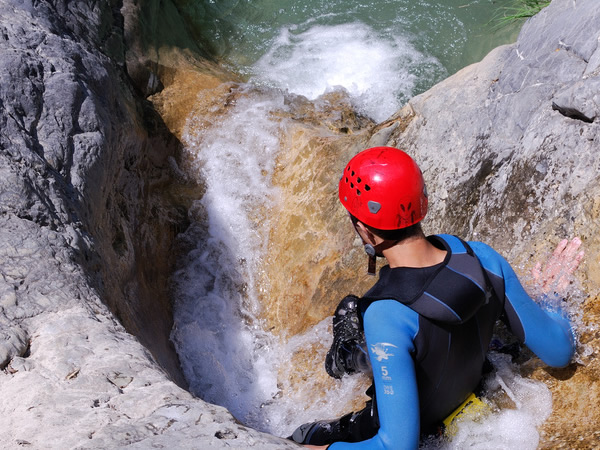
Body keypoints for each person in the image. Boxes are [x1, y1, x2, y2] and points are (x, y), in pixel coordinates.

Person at [288, 146, 584, 449]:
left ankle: (347, 355)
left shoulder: (386, 315)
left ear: (364, 231)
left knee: (301, 436)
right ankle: (350, 355)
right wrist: (550, 299)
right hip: (470, 395)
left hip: (416, 428)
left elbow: (396, 446)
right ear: (422, 203)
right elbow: (560, 352)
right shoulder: (484, 259)